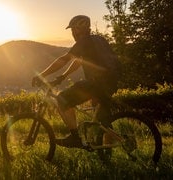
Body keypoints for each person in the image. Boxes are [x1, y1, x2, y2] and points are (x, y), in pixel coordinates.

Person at [32, 15, 121, 148]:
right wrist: (63, 76)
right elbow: (79, 61)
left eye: (73, 29)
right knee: (102, 119)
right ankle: (110, 147)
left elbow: (64, 59)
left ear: (80, 29)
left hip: (97, 82)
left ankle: (75, 138)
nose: (72, 33)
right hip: (112, 81)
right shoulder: (98, 39)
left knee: (63, 99)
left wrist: (41, 75)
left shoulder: (84, 41)